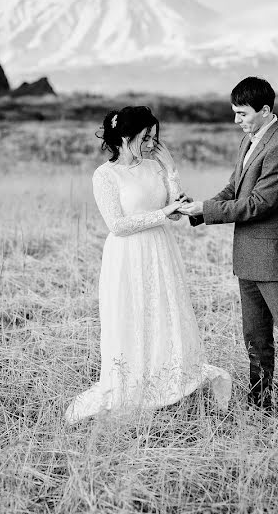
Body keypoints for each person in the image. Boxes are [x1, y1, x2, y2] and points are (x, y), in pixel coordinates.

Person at [178, 77, 278, 428]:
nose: (237, 121)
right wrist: (198, 208)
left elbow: (258, 204)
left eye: (241, 114)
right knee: (255, 339)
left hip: (273, 260)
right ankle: (260, 404)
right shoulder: (251, 138)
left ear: (265, 110)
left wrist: (206, 209)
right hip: (247, 257)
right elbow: (234, 188)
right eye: (234, 113)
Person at [65, 105, 231, 424]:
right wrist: (161, 215)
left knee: (164, 312)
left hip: (160, 249)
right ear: (125, 138)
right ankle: (134, 382)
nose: (151, 143)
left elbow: (178, 206)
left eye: (155, 136)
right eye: (145, 137)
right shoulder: (105, 175)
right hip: (127, 254)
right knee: (132, 313)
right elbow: (117, 224)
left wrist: (170, 168)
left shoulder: (155, 166)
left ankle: (167, 380)